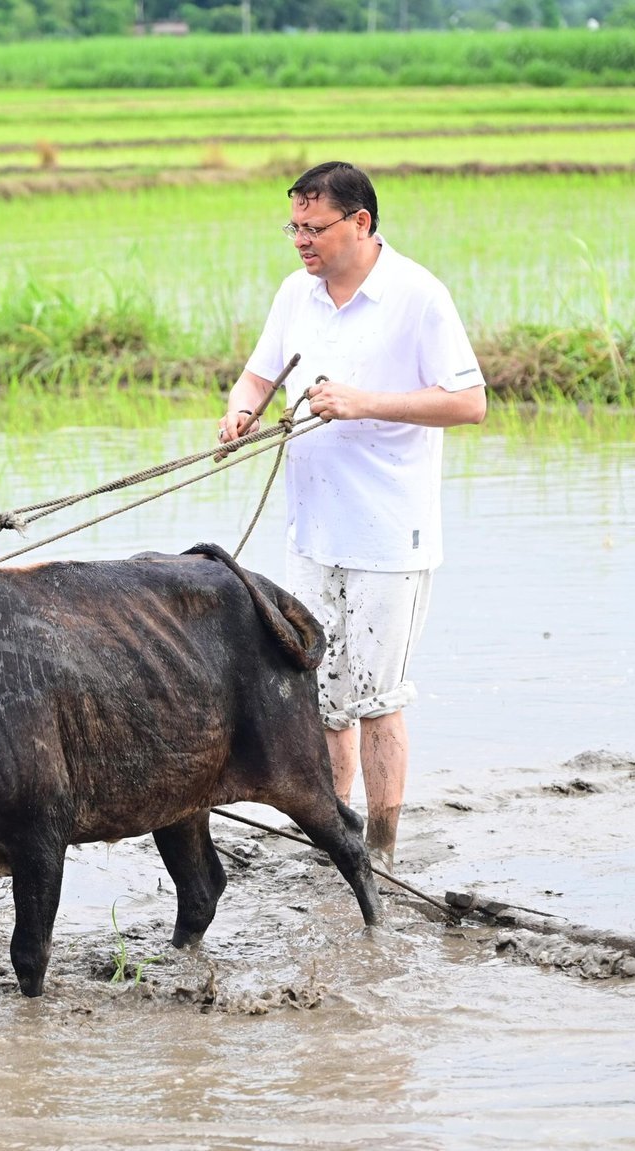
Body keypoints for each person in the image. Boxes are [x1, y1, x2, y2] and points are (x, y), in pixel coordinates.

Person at [218, 160, 486, 867]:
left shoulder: (417, 297)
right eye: (294, 227)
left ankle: (386, 851)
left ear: (359, 223)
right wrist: (241, 408)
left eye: (314, 227)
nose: (301, 241)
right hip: (312, 530)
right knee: (318, 694)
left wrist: (364, 400)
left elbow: (468, 402)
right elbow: (258, 372)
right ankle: (334, 838)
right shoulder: (294, 295)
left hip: (389, 536)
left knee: (376, 698)